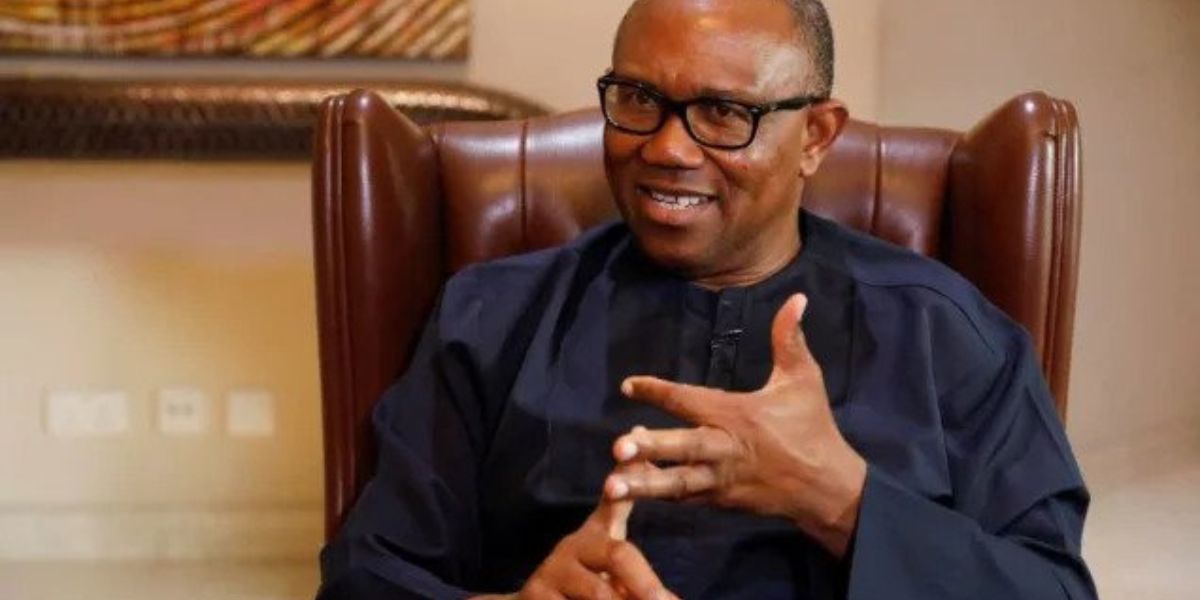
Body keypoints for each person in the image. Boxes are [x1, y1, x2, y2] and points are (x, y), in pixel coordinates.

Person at [316, 0, 1098, 598]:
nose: (666, 147)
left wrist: (841, 501)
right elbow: (366, 576)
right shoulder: (492, 319)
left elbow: (1052, 589)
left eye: (725, 113)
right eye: (637, 98)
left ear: (816, 136)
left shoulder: (947, 333)